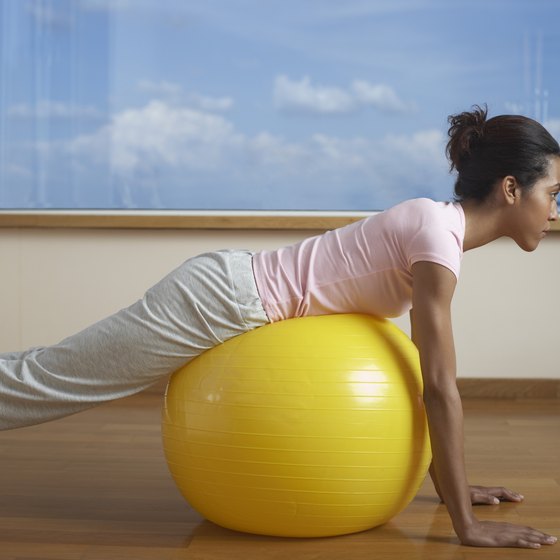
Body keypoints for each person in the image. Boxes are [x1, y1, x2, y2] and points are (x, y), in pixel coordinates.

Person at [1, 105, 559, 549]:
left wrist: (452, 490)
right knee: (56, 380)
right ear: (511, 189)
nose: (554, 211)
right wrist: (466, 524)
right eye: (552, 194)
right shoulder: (437, 241)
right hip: (219, 301)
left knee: (55, 375)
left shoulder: (436, 231)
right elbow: (438, 387)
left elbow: (422, 384)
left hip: (232, 294)